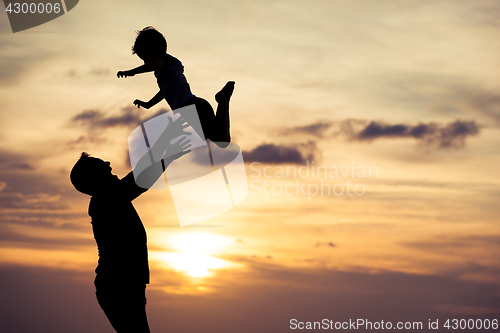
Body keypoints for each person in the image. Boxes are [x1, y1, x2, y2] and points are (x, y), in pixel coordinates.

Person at [70, 116, 191, 333]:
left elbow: (142, 182)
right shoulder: (106, 200)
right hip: (118, 287)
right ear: (95, 178)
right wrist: (166, 140)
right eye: (103, 165)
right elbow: (139, 176)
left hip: (125, 285)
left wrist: (169, 154)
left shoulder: (111, 199)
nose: (108, 164)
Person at [117, 26, 234, 147]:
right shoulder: (168, 69)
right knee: (222, 140)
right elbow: (165, 91)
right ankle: (223, 101)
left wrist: (132, 72)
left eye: (145, 59)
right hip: (195, 106)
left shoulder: (163, 62)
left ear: (152, 51)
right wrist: (148, 104)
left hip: (192, 108)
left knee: (221, 140)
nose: (145, 63)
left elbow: (155, 64)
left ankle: (223, 101)